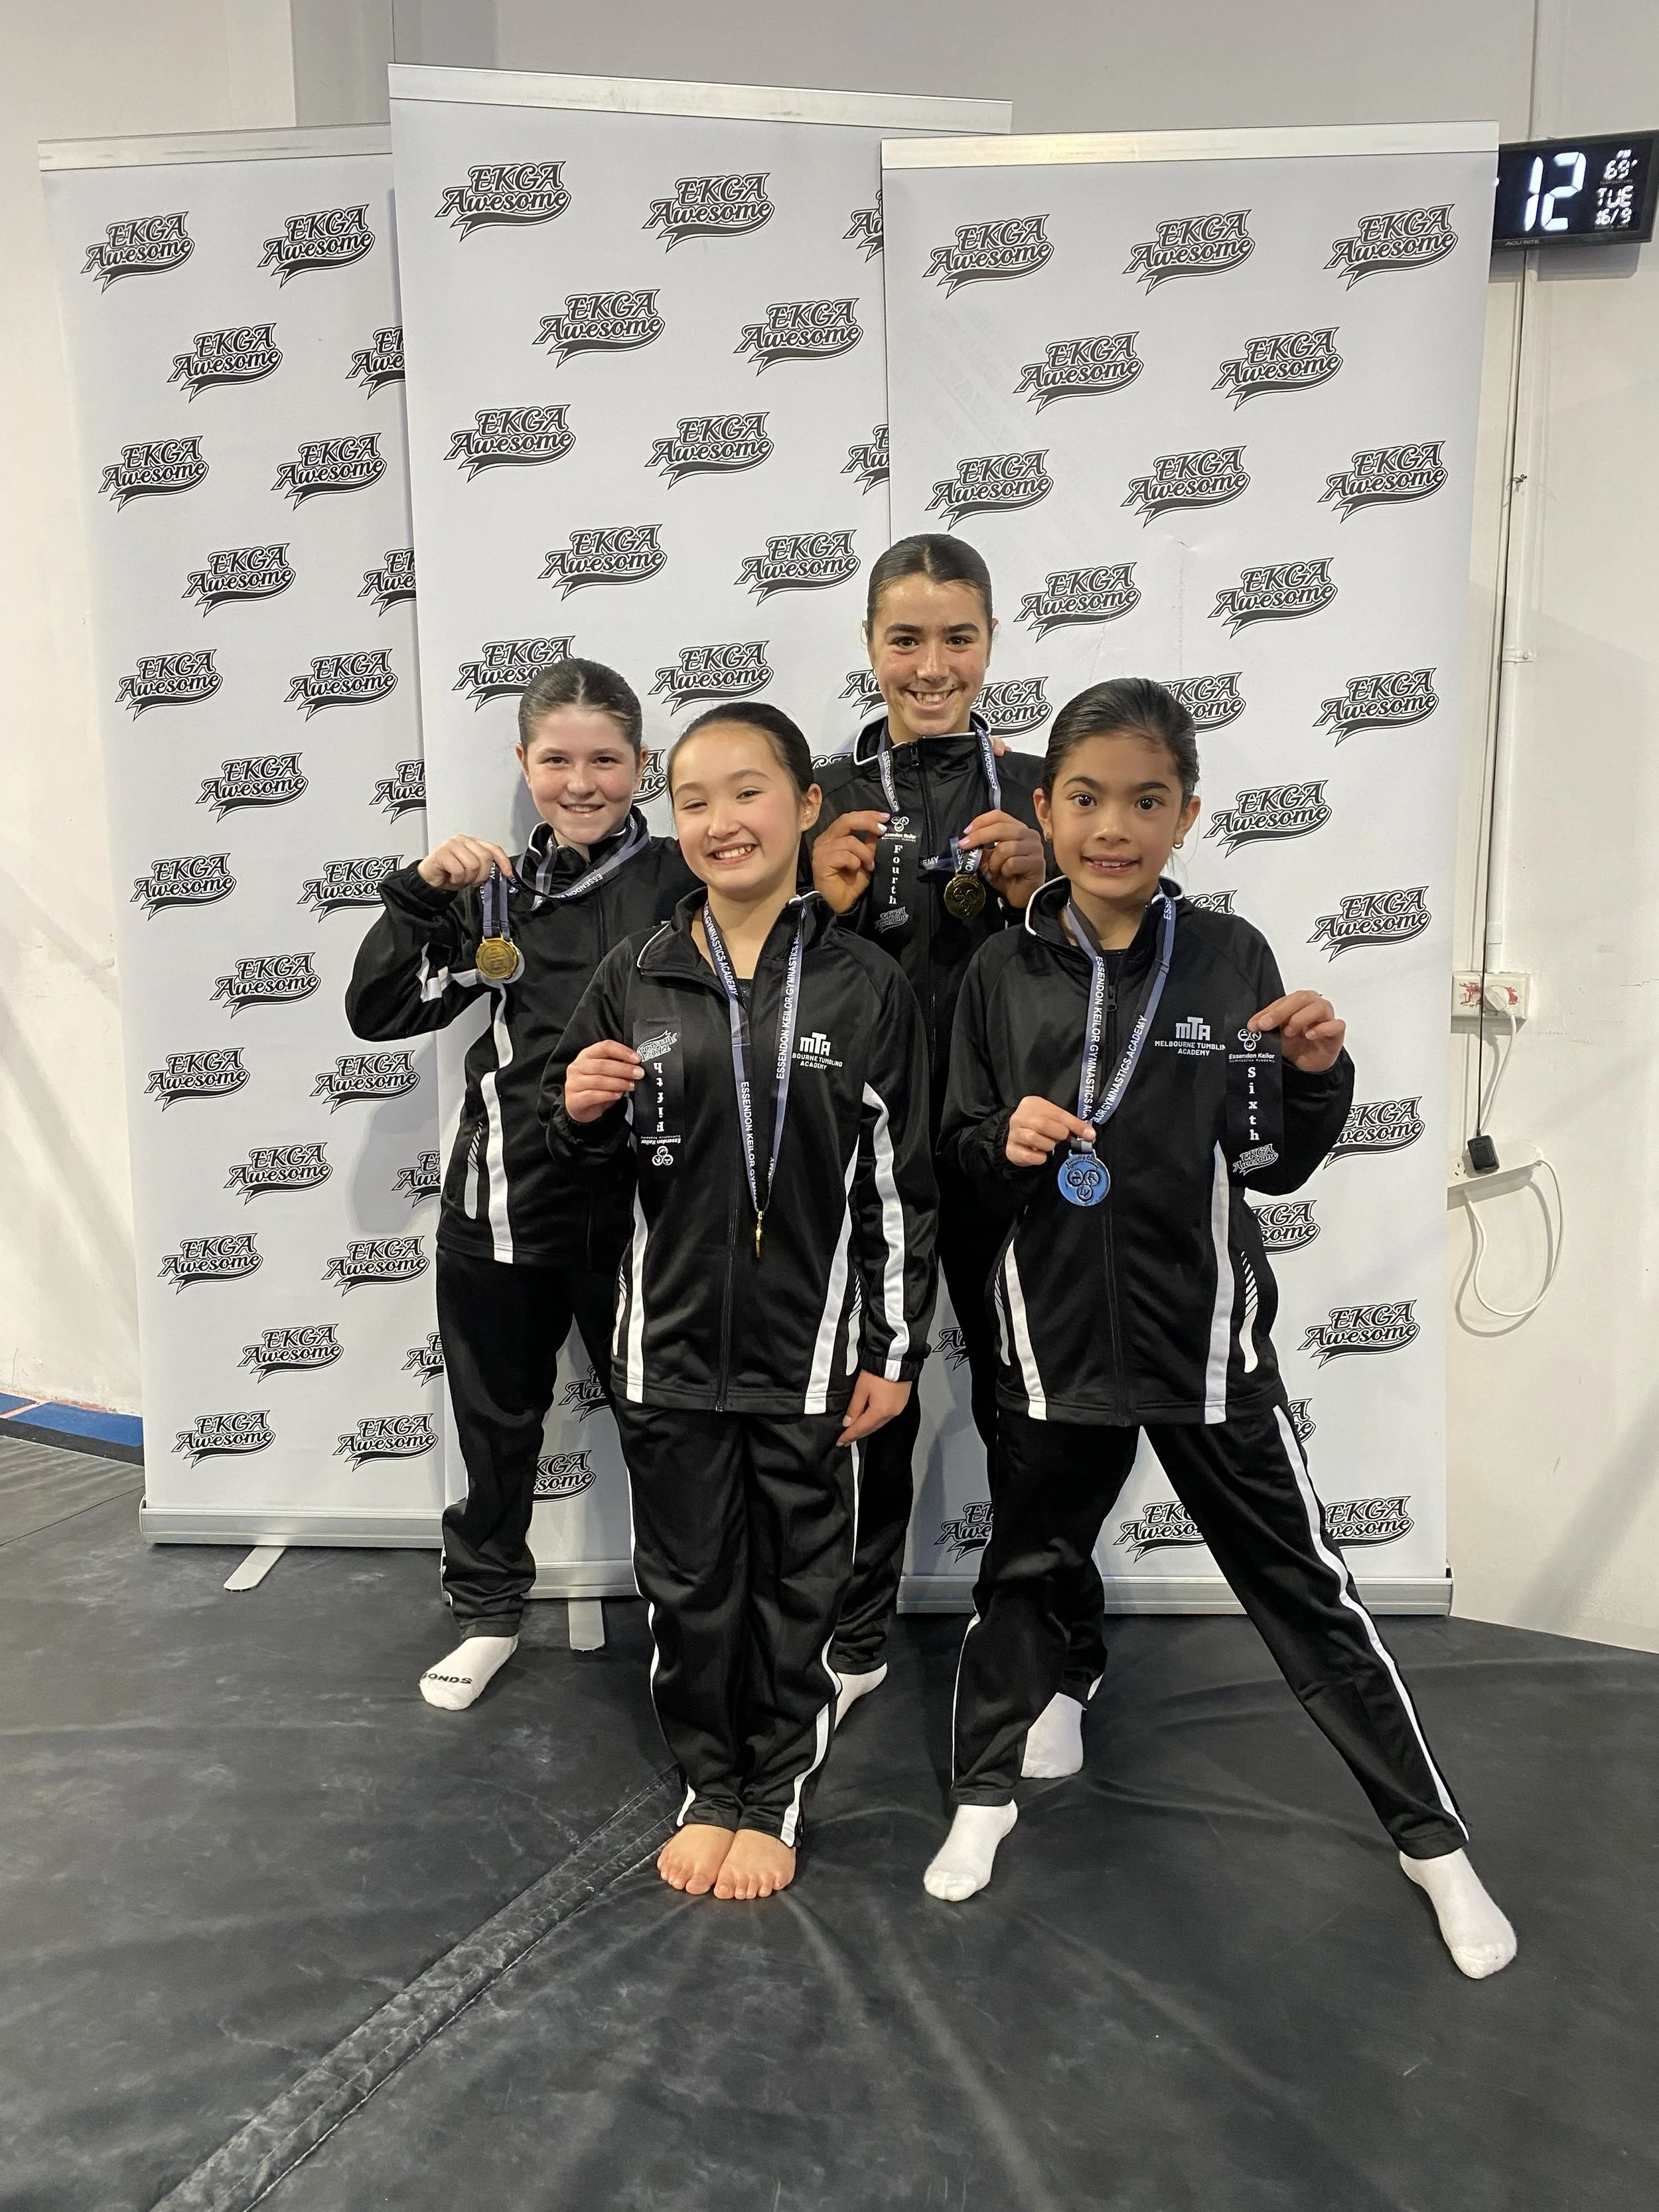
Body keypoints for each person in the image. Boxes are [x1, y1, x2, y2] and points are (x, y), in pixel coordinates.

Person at [922, 677, 1516, 1982]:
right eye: (1084, 797)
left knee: (1305, 1597)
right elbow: (953, 1155)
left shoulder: (1231, 955)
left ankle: (1430, 1841)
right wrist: (1000, 1141)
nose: (1112, 825)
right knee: (1019, 1587)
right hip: (1051, 1350)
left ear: (1185, 813)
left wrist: (1315, 1079)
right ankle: (981, 1795)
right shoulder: (996, 970)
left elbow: (1267, 1162)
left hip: (1204, 1349)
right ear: (1044, 807)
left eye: (1144, 799)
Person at [544, 702, 936, 1901]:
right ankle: (711, 1784)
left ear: (805, 807)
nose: (722, 822)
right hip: (662, 1349)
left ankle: (776, 1793)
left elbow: (901, 1185)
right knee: (691, 1585)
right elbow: (585, 1171)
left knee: (796, 1584)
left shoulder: (867, 985)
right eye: (696, 799)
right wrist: (577, 1113)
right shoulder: (638, 972)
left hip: (814, 1354)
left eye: (749, 792)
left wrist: (896, 1347)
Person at [345, 658, 695, 1712]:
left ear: (644, 765)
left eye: (605, 760)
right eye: (557, 760)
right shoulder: (490, 889)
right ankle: (491, 1609)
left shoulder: (684, 876)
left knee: (666, 1431)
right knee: (498, 1425)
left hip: (645, 1215)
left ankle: (687, 1622)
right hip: (502, 1207)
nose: (581, 783)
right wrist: (416, 898)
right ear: (523, 764)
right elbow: (379, 1014)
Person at [808, 532, 1103, 1776]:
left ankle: (1054, 1662)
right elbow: (753, 967)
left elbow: (1133, 963)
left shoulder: (1047, 786)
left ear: (993, 642)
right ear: (870, 646)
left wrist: (1055, 883)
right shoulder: (819, 788)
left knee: (1034, 1416)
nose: (932, 667)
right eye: (905, 639)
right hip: (856, 1163)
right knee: (855, 1408)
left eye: (959, 638)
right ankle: (850, 1645)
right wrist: (815, 896)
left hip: (1006, 1155)